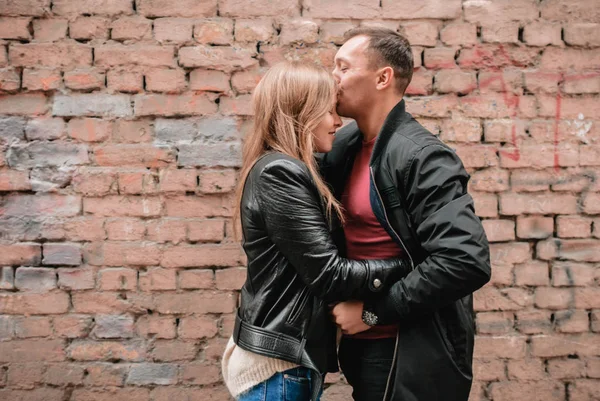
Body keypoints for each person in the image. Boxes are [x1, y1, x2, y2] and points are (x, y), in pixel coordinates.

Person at [221, 61, 410, 401]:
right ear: (299, 115)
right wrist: (409, 266)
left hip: (285, 367)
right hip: (277, 371)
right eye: (327, 111)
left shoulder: (293, 168)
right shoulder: (280, 172)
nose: (338, 121)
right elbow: (330, 275)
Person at [321, 27, 492, 401]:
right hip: (359, 349)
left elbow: (465, 260)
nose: (332, 77)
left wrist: (372, 313)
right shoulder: (342, 146)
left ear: (382, 78)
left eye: (343, 67)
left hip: (411, 353)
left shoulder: (423, 157)